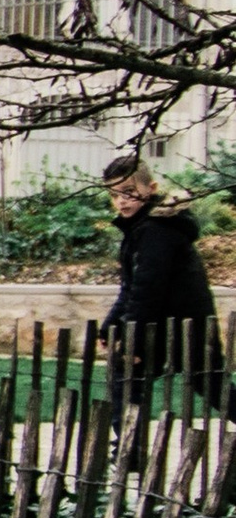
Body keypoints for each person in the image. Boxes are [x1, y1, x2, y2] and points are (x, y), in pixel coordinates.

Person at [99, 150, 222, 403]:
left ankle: (128, 443)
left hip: (180, 324)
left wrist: (134, 341)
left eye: (129, 191)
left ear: (151, 188)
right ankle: (128, 443)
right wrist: (110, 325)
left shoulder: (156, 231)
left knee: (210, 385)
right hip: (167, 323)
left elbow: (148, 289)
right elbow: (131, 287)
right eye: (114, 194)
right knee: (210, 386)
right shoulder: (140, 230)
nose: (122, 200)